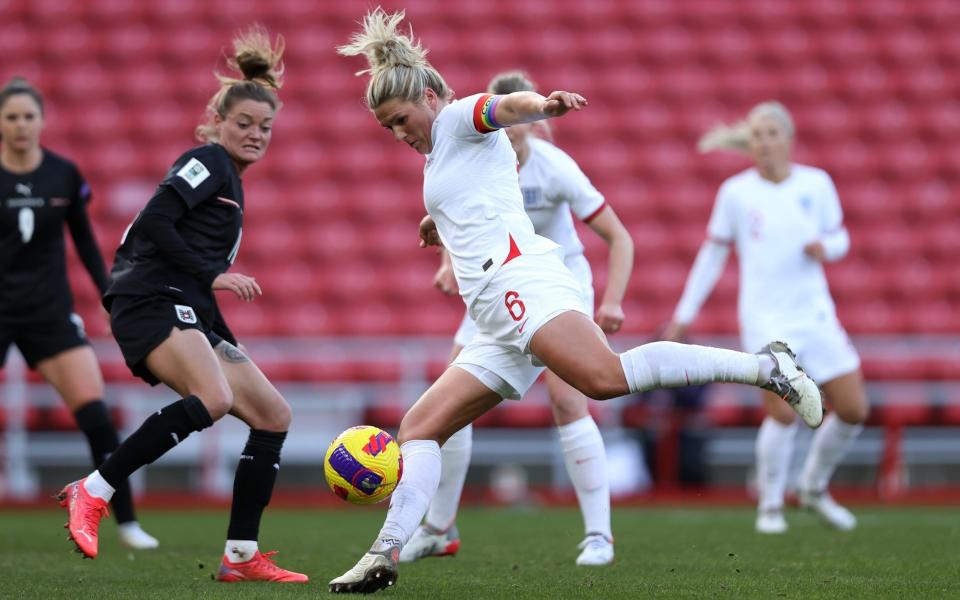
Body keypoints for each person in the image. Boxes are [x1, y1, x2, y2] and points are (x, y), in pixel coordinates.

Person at [331, 9, 823, 594]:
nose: (399, 133)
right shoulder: (440, 152)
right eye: (388, 127)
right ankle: (384, 554)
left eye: (401, 118)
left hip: (522, 284)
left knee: (603, 379)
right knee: (419, 427)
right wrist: (439, 223)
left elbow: (501, 106)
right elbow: (480, 195)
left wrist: (541, 105)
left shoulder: (459, 117)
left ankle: (766, 368)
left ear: (431, 96)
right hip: (494, 316)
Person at [55, 27, 307, 583]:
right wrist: (214, 274)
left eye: (265, 127)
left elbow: (191, 269)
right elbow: (155, 222)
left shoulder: (233, 184)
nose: (255, 134)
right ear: (217, 121)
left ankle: (241, 556)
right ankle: (93, 490)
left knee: (273, 415)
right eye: (243, 123)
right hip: (149, 298)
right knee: (212, 397)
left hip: (181, 306)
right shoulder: (207, 161)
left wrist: (226, 342)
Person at [402, 70, 634, 567]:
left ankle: (599, 535)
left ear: (530, 122)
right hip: (498, 283)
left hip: (553, 280)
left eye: (519, 120)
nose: (509, 129)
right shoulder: (474, 151)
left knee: (570, 400)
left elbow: (620, 236)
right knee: (448, 396)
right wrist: (445, 258)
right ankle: (440, 526)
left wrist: (612, 300)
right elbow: (461, 217)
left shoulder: (555, 169)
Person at [662, 101, 868, 534]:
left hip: (815, 315)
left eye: (772, 133)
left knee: (852, 408)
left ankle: (813, 486)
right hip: (766, 319)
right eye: (757, 134)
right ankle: (770, 506)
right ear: (750, 143)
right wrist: (684, 315)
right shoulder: (736, 193)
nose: (765, 142)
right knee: (782, 413)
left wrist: (826, 248)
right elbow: (712, 255)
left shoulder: (817, 184)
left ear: (789, 139)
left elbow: (840, 236)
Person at [0, 77, 157, 549]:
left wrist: (112, 298)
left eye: (29, 116)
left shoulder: (63, 174)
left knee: (96, 417)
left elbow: (86, 244)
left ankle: (125, 521)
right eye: (12, 117)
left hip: (49, 311)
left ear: (42, 121)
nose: (21, 125)